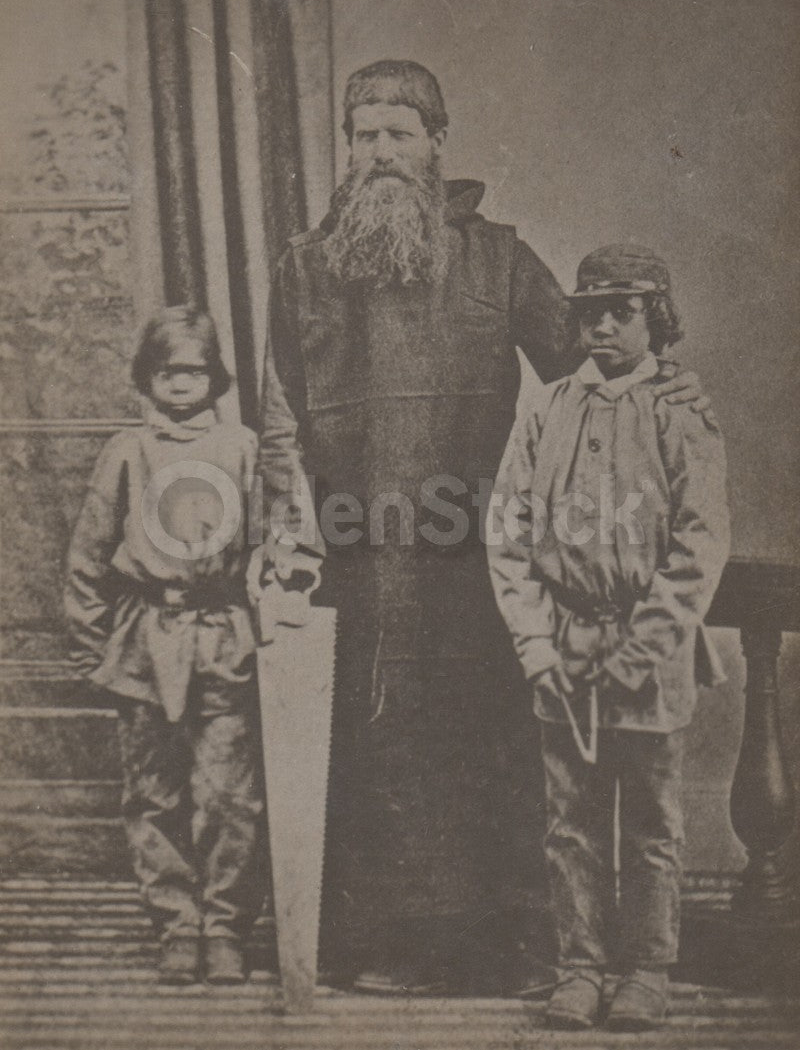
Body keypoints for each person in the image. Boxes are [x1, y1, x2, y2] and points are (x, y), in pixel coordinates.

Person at [256, 61, 710, 994]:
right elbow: (280, 414)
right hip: (358, 552)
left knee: (485, 748)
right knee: (375, 745)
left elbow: (587, 366)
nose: (380, 152)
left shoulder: (499, 256)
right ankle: (379, 948)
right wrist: (284, 526)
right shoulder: (306, 264)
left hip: (479, 558)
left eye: (399, 133)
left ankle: (509, 950)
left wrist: (668, 387)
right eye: (364, 134)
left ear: (435, 143)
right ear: (348, 147)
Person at [488, 245, 730, 1029]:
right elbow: (509, 532)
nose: (601, 326)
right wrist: (534, 644)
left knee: (653, 823)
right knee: (572, 822)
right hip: (566, 648)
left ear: (654, 319)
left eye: (620, 311)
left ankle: (648, 968)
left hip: (649, 654)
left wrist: (645, 646)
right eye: (589, 311)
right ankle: (581, 966)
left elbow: (699, 544)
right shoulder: (549, 407)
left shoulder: (681, 414)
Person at [64, 307, 266, 986]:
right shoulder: (127, 451)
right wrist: (91, 646)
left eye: (195, 371)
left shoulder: (242, 446)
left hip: (223, 640)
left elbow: (270, 542)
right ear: (146, 378)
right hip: (147, 641)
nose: (182, 385)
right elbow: (88, 555)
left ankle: (225, 924)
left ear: (216, 377)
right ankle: (176, 923)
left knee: (229, 794)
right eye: (168, 372)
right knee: (153, 792)